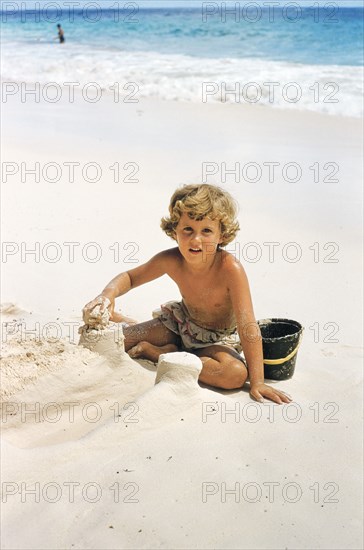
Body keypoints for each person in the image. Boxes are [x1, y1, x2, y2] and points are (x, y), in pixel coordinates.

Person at [83, 184, 292, 405]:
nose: (196, 240)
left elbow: (247, 324)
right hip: (179, 324)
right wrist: (108, 295)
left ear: (222, 234)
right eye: (188, 230)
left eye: (207, 231)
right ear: (175, 231)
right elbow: (131, 277)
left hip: (217, 339)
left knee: (235, 375)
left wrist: (258, 381)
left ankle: (158, 354)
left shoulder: (231, 269)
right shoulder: (171, 260)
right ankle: (137, 328)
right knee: (114, 341)